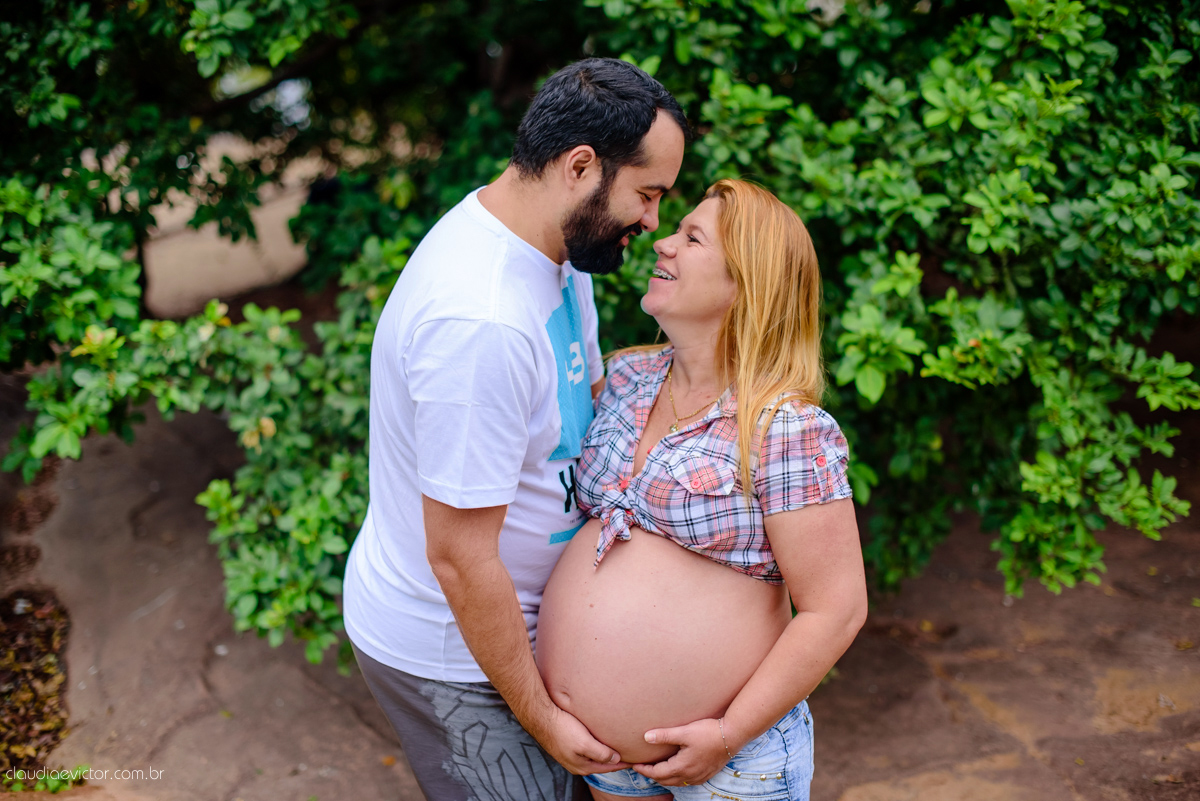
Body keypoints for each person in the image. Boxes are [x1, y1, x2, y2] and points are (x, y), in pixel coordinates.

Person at [341, 58, 688, 800]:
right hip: (458, 654)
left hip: (524, 634)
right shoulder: (480, 320)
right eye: (648, 193)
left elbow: (588, 414)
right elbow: (462, 558)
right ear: (581, 166)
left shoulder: (560, 251)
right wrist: (542, 717)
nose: (655, 221)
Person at [536, 179, 869, 800]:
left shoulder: (785, 427)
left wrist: (727, 732)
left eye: (692, 238)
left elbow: (836, 609)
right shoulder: (629, 377)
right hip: (604, 756)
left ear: (746, 283)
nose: (661, 242)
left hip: (732, 761)